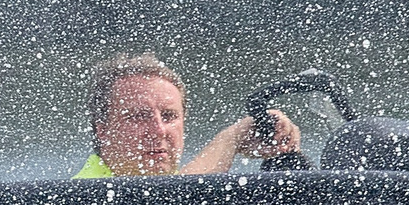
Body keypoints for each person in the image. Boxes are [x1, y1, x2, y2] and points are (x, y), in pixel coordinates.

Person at [74, 52, 301, 178]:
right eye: (138, 117)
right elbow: (168, 198)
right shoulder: (83, 196)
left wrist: (282, 149)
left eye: (169, 116)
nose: (159, 130)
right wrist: (231, 139)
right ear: (103, 130)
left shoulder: (176, 190)